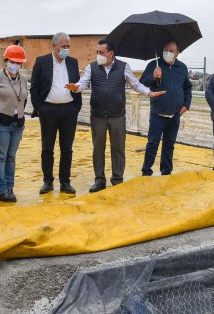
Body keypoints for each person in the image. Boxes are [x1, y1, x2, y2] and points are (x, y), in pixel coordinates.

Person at [67, 38, 165, 192]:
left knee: (118, 148)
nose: (98, 55)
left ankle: (117, 179)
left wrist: (149, 93)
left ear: (110, 54)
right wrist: (75, 87)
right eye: (97, 52)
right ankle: (99, 180)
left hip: (117, 115)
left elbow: (136, 84)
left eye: (101, 52)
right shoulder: (92, 67)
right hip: (98, 115)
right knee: (97, 148)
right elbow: (83, 83)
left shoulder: (123, 67)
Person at [29, 32, 82, 195]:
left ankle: (65, 182)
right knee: (47, 147)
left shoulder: (73, 62)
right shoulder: (42, 62)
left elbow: (78, 85)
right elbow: (35, 87)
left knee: (67, 148)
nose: (66, 49)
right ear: (53, 46)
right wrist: (40, 108)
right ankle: (48, 181)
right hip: (48, 110)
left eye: (68, 47)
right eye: (63, 46)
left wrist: (75, 106)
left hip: (69, 110)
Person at [139, 40, 192, 177]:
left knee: (169, 144)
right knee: (152, 143)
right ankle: (146, 171)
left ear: (177, 53)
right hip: (158, 113)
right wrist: (153, 76)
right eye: (165, 49)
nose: (167, 53)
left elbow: (187, 87)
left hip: (175, 114)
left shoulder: (182, 68)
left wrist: (186, 104)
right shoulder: (154, 65)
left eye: (171, 51)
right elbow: (142, 83)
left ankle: (166, 171)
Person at [0, 45, 29, 202]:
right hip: (0, 123)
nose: (15, 65)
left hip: (17, 124)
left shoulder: (22, 79)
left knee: (11, 157)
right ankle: (1, 190)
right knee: (1, 156)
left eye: (19, 63)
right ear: (6, 61)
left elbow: (23, 98)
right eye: (13, 61)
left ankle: (10, 188)